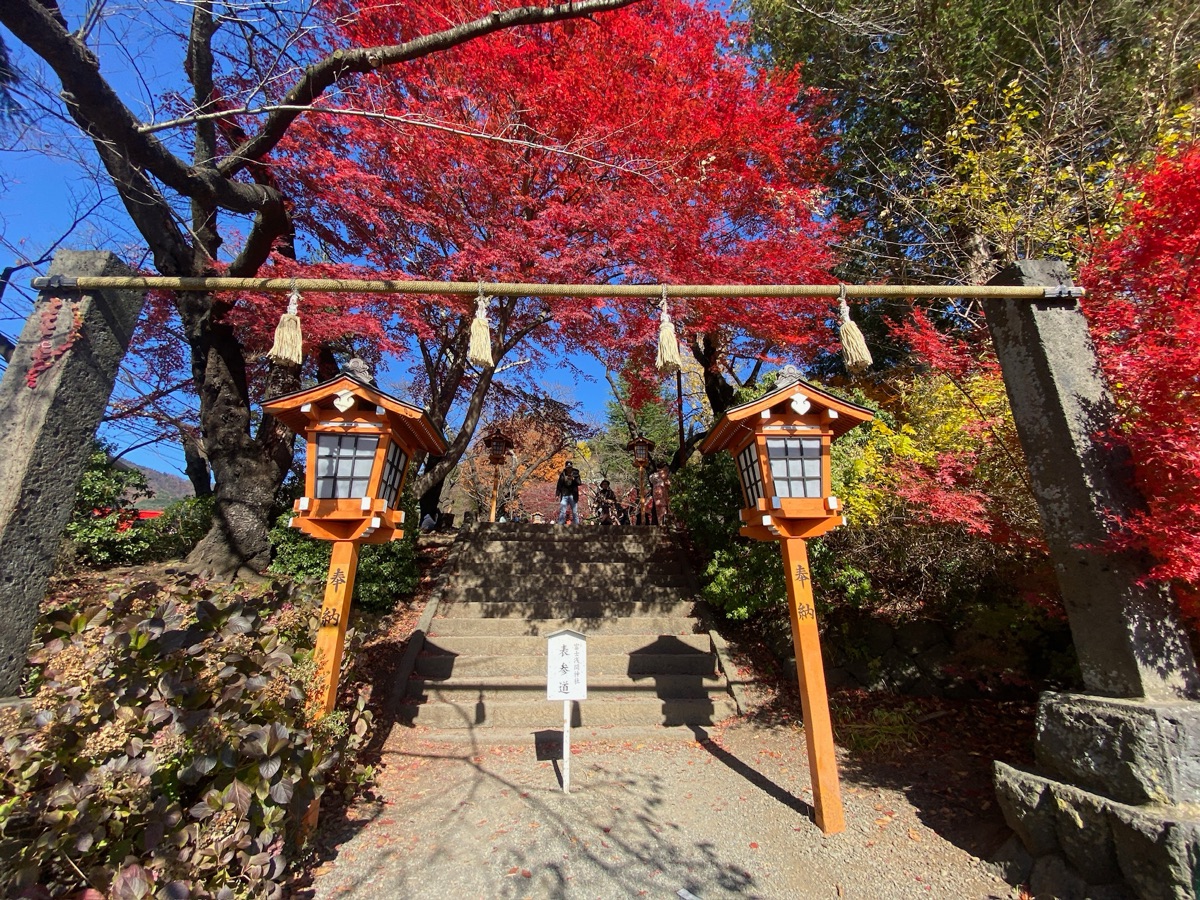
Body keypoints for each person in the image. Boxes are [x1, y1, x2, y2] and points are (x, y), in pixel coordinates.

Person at [555, 461, 582, 525]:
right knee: (562, 511)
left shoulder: (576, 474)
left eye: (570, 467)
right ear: (566, 467)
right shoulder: (562, 474)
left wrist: (573, 479)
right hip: (564, 494)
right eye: (568, 467)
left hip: (573, 495)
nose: (569, 469)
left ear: (572, 468)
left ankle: (576, 525)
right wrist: (557, 494)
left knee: (574, 511)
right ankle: (560, 524)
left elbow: (579, 483)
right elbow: (559, 485)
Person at [649, 462, 672, 527]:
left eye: (667, 470)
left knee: (670, 509)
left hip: (667, 495)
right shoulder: (655, 477)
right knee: (661, 510)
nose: (666, 471)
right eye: (665, 470)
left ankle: (669, 524)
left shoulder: (668, 476)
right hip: (660, 496)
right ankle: (663, 524)